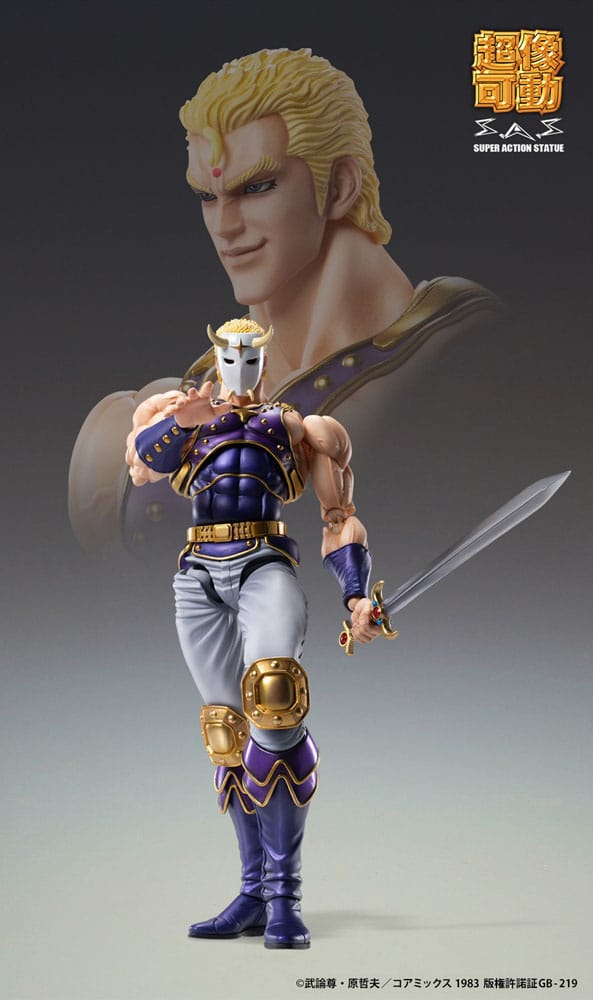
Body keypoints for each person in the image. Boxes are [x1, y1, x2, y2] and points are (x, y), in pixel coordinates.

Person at [68, 47, 497, 558]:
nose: (224, 227)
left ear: (339, 186)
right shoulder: (158, 408)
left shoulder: (470, 345)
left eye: (257, 187)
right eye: (208, 196)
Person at [126, 318, 378, 948]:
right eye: (230, 357)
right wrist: (184, 421)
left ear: (265, 361)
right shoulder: (183, 417)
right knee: (227, 729)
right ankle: (252, 894)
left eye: (251, 358)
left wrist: (355, 595)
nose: (240, 368)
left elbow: (338, 517)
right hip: (199, 574)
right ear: (217, 358)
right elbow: (143, 465)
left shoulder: (298, 428)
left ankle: (285, 898)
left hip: (264, 562)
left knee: (275, 698)